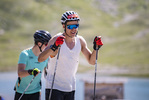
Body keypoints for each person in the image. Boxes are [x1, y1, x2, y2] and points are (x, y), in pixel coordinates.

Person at [38, 11, 103, 100]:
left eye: (76, 26)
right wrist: (54, 47)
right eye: (70, 26)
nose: (73, 29)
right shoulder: (56, 39)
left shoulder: (80, 41)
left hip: (70, 88)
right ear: (64, 26)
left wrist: (96, 48)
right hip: (54, 87)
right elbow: (40, 58)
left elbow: (92, 61)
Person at [14, 30, 52, 100]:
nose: (47, 47)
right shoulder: (25, 54)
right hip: (21, 91)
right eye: (46, 44)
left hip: (36, 91)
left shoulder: (46, 56)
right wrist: (31, 72)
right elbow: (20, 73)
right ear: (39, 44)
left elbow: (47, 73)